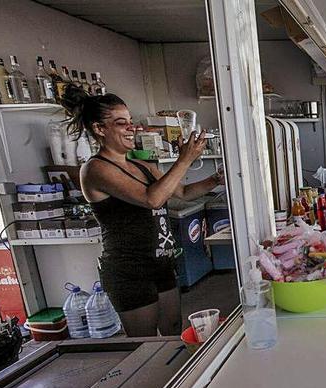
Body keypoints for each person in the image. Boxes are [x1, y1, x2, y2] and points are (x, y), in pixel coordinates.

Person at [62, 86, 223, 337]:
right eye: (120, 123)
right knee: (146, 344)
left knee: (172, 333)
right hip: (129, 270)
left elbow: (182, 192)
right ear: (99, 129)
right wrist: (184, 160)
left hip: (160, 264)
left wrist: (217, 178)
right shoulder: (95, 169)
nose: (131, 128)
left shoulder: (142, 165)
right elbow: (153, 199)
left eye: (130, 121)